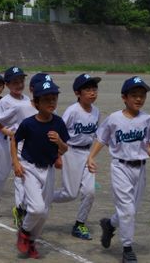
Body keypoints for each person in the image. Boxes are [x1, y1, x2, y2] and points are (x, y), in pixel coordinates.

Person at [87, 76, 150, 263]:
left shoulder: (148, 119)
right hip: (120, 167)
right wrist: (91, 157)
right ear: (124, 97)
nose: (138, 99)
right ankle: (127, 249)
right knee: (127, 210)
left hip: (140, 169)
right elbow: (102, 139)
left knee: (130, 210)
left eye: (142, 95)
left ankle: (109, 224)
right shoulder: (114, 118)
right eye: (134, 95)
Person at [12, 79, 69, 258]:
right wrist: (16, 163)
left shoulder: (58, 123)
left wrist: (59, 142)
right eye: (46, 100)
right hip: (29, 168)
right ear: (36, 103)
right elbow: (14, 140)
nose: (51, 103)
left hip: (49, 169)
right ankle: (24, 231)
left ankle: (31, 242)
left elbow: (65, 148)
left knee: (44, 213)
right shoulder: (29, 124)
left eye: (53, 99)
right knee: (36, 208)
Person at [51, 73, 101, 240]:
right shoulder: (72, 111)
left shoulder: (96, 111)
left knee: (90, 191)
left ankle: (80, 224)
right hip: (70, 152)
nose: (92, 92)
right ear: (77, 93)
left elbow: (95, 136)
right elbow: (59, 132)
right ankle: (42, 197)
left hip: (87, 153)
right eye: (88, 89)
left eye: (94, 89)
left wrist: (92, 156)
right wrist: (57, 155)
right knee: (70, 194)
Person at [0, 66, 30, 218]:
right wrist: (9, 132)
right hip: (5, 142)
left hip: (22, 144)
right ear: (7, 85)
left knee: (20, 175)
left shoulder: (27, 100)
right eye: (15, 82)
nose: (19, 85)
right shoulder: (5, 101)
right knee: (2, 174)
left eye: (21, 81)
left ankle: (19, 209)